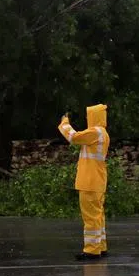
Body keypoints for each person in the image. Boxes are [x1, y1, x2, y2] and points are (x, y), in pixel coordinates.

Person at [58, 103, 110, 261]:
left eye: (89, 116)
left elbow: (73, 137)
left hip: (89, 182)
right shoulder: (103, 133)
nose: (88, 119)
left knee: (90, 216)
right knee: (98, 215)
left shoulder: (95, 132)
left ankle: (92, 250)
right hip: (97, 181)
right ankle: (100, 246)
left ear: (94, 117)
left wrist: (64, 122)